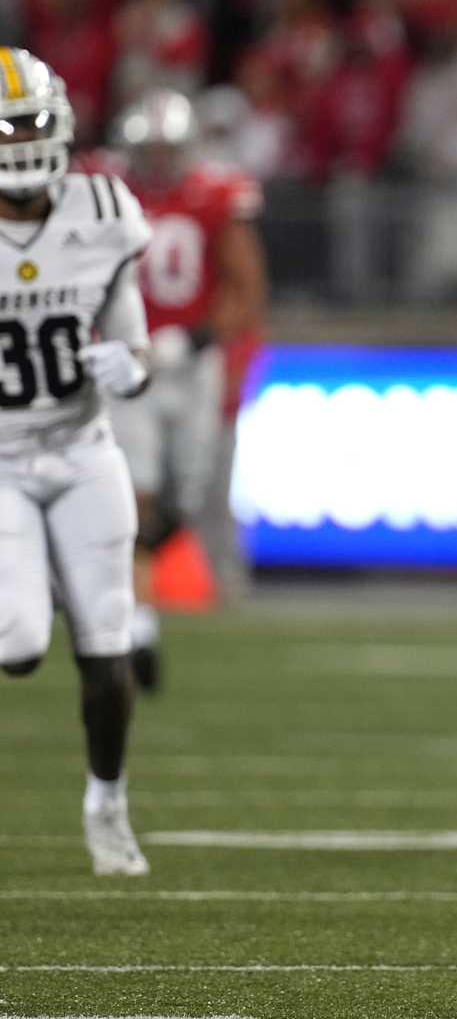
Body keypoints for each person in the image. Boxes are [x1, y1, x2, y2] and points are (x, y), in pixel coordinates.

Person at [0, 47, 156, 875]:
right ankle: (36, 576)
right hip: (0, 460)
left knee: (107, 649)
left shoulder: (102, 205)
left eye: (33, 122)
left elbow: (132, 335)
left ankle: (108, 804)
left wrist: (132, 366)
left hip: (84, 447)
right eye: (8, 127)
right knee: (19, 644)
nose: (24, 141)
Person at [103, 89, 267, 693]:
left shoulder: (214, 195)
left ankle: (124, 597)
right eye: (152, 148)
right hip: (132, 364)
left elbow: (247, 287)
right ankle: (137, 623)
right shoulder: (108, 194)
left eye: (170, 148)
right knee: (136, 493)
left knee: (187, 496)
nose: (162, 160)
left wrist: (201, 338)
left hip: (193, 365)